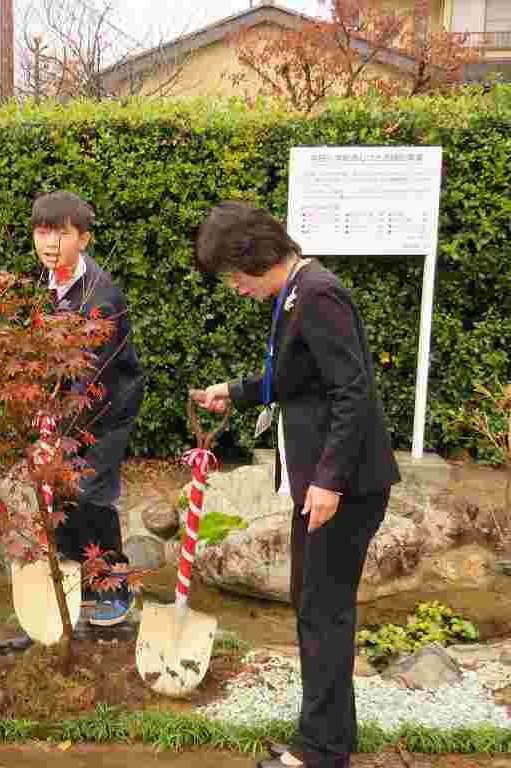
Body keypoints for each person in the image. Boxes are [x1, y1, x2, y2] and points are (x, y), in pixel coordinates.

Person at [189, 202, 400, 768]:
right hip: (327, 484)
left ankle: (321, 752)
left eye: (233, 278)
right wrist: (231, 391)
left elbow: (353, 392)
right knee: (316, 608)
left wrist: (329, 481)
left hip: (344, 489)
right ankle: (327, 738)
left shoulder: (318, 294)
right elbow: (297, 378)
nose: (235, 290)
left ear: (252, 259)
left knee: (323, 612)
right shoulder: (298, 294)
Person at [30, 191, 146, 628]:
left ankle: (115, 586)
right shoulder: (41, 282)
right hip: (57, 411)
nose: (50, 243)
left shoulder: (102, 296)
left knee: (91, 493)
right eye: (42, 232)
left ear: (84, 239)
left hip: (103, 411)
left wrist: (56, 434)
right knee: (58, 496)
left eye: (61, 233)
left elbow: (90, 378)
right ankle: (69, 585)